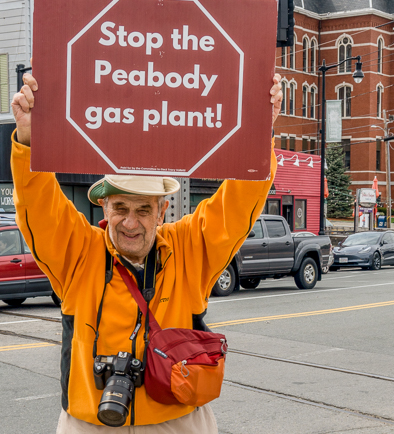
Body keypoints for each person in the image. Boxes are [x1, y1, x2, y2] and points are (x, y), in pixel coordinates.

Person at [11, 68, 282, 433]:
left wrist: (257, 131)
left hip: (177, 421)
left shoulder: (190, 247)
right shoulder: (79, 251)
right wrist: (28, 140)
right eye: (120, 208)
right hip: (90, 422)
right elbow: (39, 207)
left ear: (162, 211)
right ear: (103, 209)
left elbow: (238, 204)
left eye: (143, 210)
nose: (130, 222)